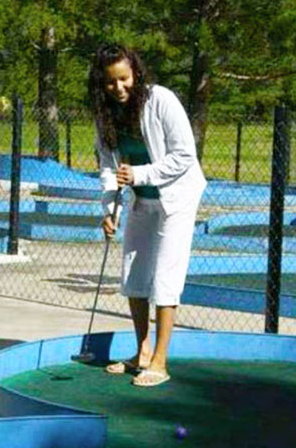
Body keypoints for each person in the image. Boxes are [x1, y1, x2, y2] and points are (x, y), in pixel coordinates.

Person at [90, 44, 206, 387]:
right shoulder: (105, 115)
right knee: (133, 274)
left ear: (135, 73)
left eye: (123, 79)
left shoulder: (161, 100)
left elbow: (185, 155)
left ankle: (160, 360)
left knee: (164, 278)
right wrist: (109, 208)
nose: (119, 88)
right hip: (144, 200)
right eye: (110, 83)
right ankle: (141, 352)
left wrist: (140, 175)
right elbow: (109, 168)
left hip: (177, 197)